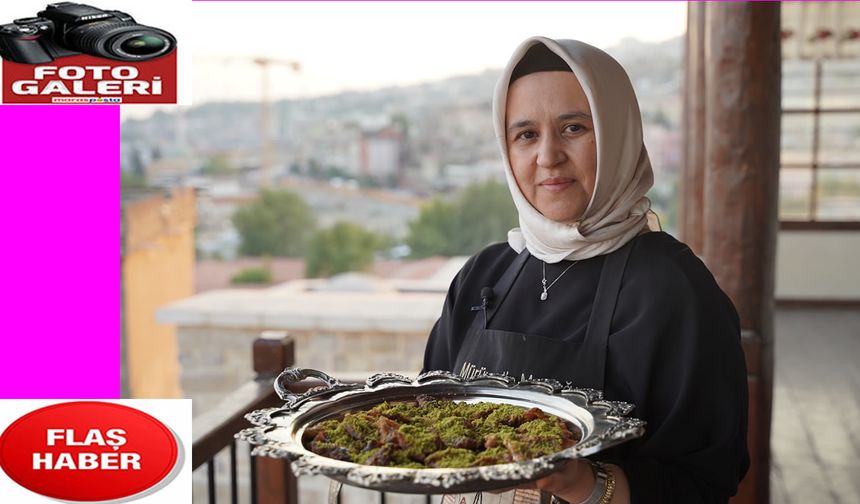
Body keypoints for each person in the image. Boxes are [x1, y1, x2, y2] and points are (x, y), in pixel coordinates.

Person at [422, 36, 749, 504]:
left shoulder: (674, 290)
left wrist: (584, 481)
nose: (548, 156)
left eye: (573, 128)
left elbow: (705, 482)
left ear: (618, 135)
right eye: (526, 135)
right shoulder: (484, 274)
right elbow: (429, 420)